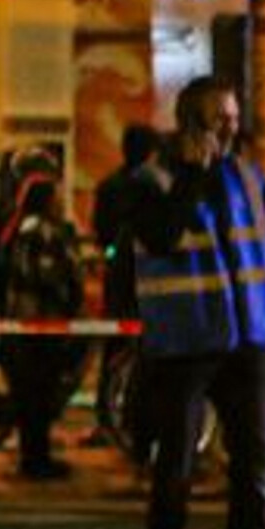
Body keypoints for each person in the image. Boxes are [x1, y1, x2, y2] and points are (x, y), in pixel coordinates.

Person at [124, 77, 265, 529]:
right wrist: (194, 176)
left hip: (247, 341)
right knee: (174, 470)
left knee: (253, 467)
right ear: (188, 122)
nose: (228, 125)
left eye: (231, 115)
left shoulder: (247, 176)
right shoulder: (151, 180)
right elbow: (160, 237)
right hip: (184, 343)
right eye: (216, 116)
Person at [0, 167, 89, 481]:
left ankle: (35, 456)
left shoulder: (18, 229)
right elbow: (45, 275)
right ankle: (37, 460)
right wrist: (69, 295)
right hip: (40, 323)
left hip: (21, 323)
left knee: (30, 395)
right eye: (57, 196)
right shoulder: (40, 231)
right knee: (39, 394)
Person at [91, 123, 163, 459]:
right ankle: (136, 424)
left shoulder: (108, 187)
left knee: (115, 346)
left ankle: (106, 418)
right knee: (147, 353)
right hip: (149, 279)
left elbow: (101, 232)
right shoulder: (154, 187)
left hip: (118, 277)